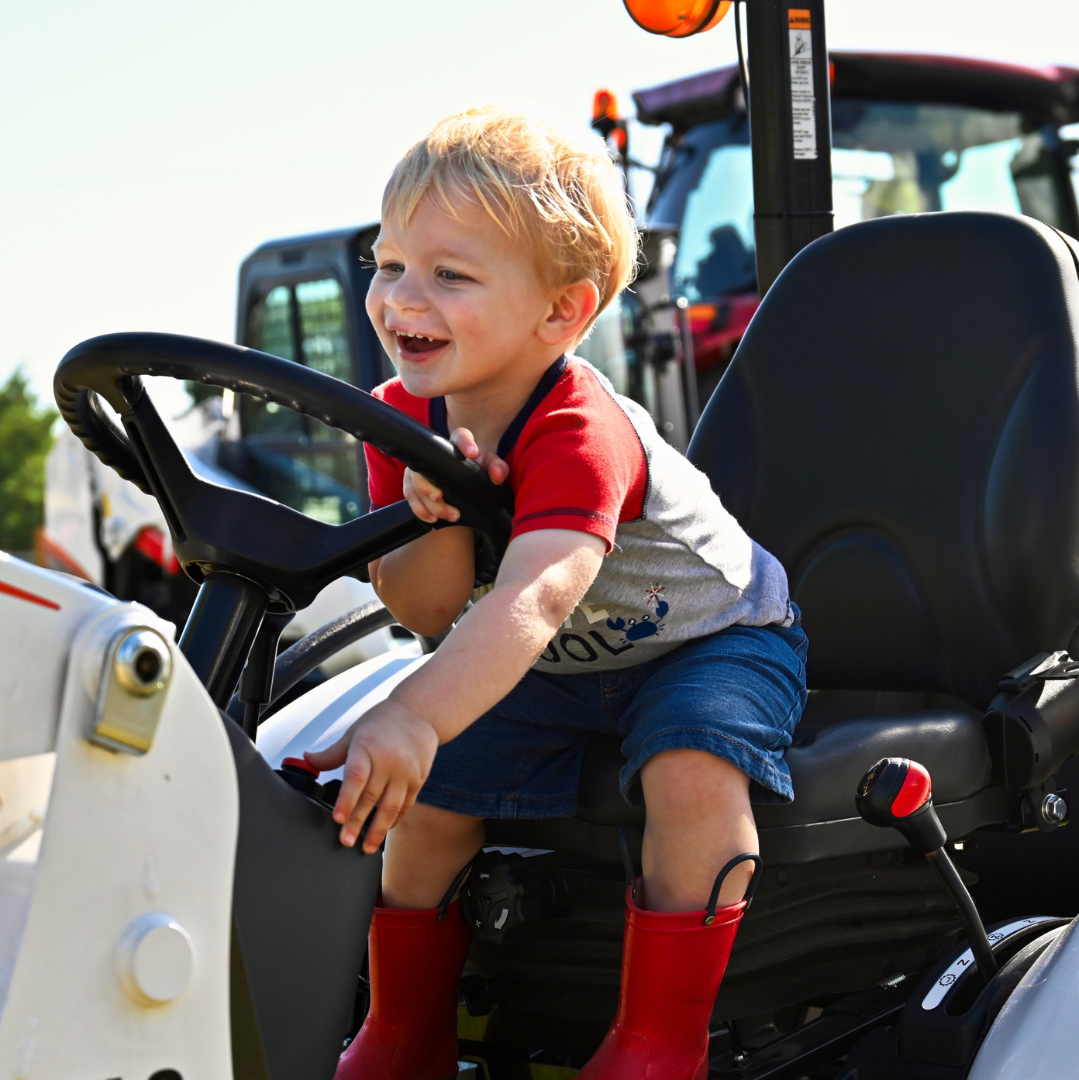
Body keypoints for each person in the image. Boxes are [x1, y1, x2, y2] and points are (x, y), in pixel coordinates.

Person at [303, 105, 805, 1080]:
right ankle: (405, 1026)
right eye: (389, 261)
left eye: (450, 275)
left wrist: (412, 712)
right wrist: (433, 511)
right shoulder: (398, 420)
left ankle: (661, 1040)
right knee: (428, 789)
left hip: (708, 638)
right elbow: (431, 613)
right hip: (562, 655)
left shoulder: (580, 430)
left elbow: (532, 599)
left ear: (561, 314)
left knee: (691, 769)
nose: (404, 297)